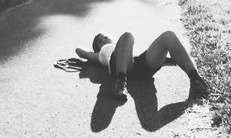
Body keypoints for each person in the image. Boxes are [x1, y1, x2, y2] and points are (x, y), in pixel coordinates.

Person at [75, 31, 210, 101]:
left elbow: (147, 56)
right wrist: (90, 52)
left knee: (168, 36)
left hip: (140, 66)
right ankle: (120, 85)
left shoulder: (123, 46)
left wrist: (165, 60)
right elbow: (81, 52)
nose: (103, 39)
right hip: (120, 68)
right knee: (128, 35)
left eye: (104, 37)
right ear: (98, 47)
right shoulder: (103, 52)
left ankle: (196, 81)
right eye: (100, 41)